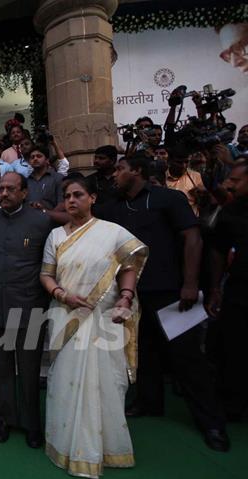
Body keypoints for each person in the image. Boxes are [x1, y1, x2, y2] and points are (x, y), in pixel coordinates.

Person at [97, 155, 230, 451]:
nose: (115, 174)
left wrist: (191, 283)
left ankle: (212, 423)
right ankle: (148, 402)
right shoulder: (114, 206)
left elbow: (192, 239)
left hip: (173, 291)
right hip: (133, 294)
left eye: (121, 168)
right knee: (143, 353)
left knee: (188, 359)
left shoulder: (168, 198)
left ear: (138, 171)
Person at [40, 177, 148, 478]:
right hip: (66, 314)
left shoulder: (112, 233)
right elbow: (46, 275)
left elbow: (129, 267)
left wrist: (125, 299)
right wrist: (62, 295)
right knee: (65, 379)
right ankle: (65, 444)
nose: (71, 200)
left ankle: (105, 448)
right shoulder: (55, 237)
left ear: (92, 198)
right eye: (67, 196)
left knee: (105, 383)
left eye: (78, 195)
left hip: (104, 316)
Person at [0, 172, 53, 448]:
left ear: (24, 193)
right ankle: (5, 418)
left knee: (30, 371)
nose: (4, 193)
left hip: (30, 307)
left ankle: (33, 424)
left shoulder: (42, 221)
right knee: (0, 370)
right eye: (1, 189)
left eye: (11, 189)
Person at [206, 163, 248, 421]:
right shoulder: (230, 211)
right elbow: (218, 251)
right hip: (239, 290)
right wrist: (215, 289)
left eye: (236, 180)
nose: (229, 184)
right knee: (235, 348)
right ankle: (233, 404)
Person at [166, 144, 205, 216]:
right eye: (179, 162)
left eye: (186, 162)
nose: (184, 166)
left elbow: (203, 202)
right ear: (170, 161)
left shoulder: (196, 176)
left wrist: (200, 195)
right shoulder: (162, 177)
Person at [26, 146, 64, 210]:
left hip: (52, 218)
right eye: (32, 157)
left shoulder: (58, 178)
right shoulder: (25, 181)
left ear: (47, 160)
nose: (35, 159)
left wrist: (48, 214)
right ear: (29, 162)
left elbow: (61, 204)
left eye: (39, 156)